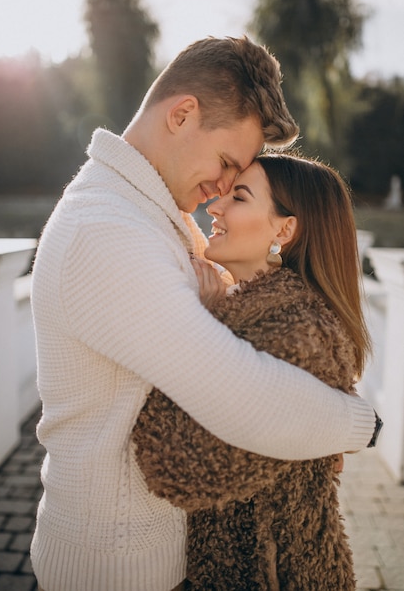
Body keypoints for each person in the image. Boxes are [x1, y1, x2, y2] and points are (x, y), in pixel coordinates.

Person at [29, 36, 378, 591]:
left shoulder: (153, 215)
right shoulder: (106, 232)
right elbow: (237, 394)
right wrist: (360, 424)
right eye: (225, 163)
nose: (221, 189)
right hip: (111, 568)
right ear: (183, 113)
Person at [133, 153, 376, 590]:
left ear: (284, 230)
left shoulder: (299, 331)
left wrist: (199, 325)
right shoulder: (260, 311)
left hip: (276, 575)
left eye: (238, 197)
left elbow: (182, 467)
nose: (215, 207)